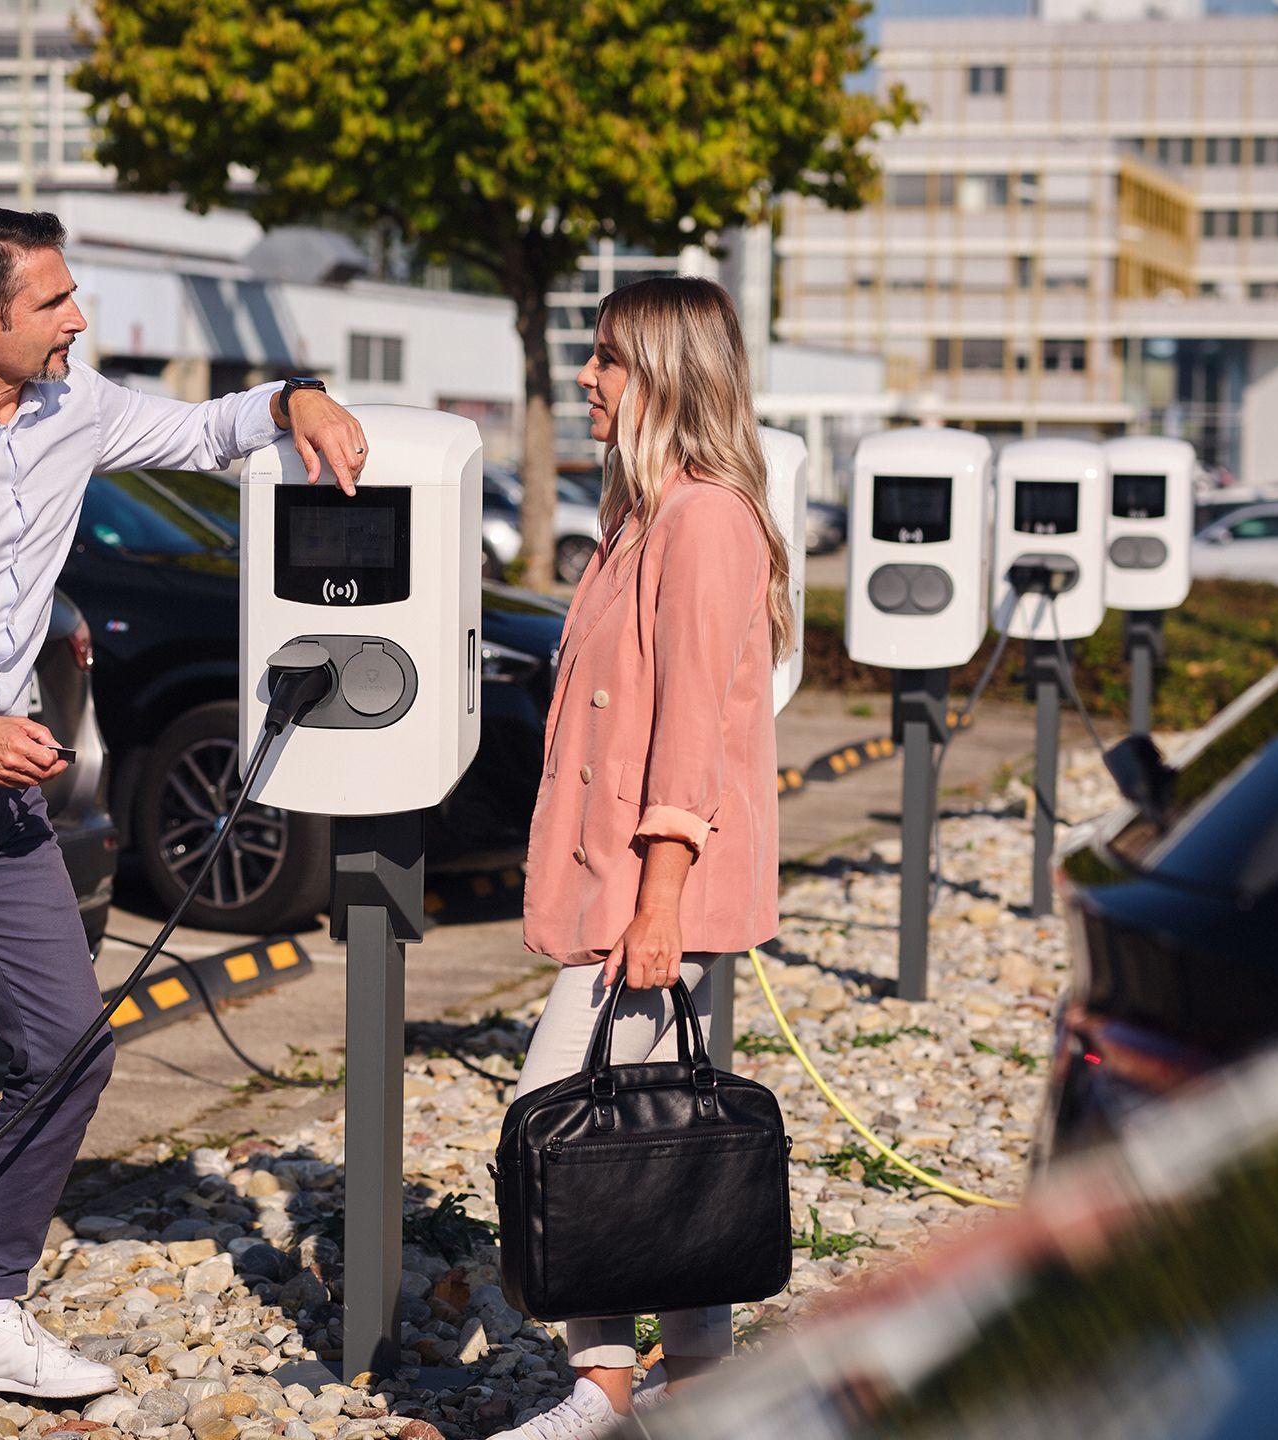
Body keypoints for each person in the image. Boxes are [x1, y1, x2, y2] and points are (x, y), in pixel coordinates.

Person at [0, 207, 370, 1428]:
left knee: (68, 1042)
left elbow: (211, 429)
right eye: (54, 302)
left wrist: (298, 400)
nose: (79, 319)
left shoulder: (70, 406)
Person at [486, 275, 792, 1440]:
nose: (586, 379)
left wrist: (659, 898)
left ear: (665, 373)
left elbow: (693, 738)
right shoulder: (636, 519)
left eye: (608, 359)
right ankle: (697, 1380)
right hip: (620, 884)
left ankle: (603, 1392)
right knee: (654, 1129)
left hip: (651, 891)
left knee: (562, 1127)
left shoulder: (704, 519)